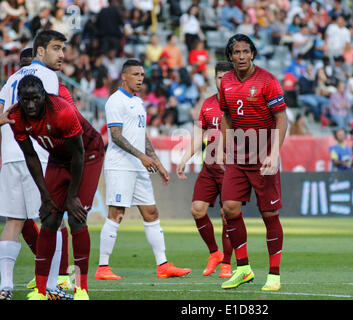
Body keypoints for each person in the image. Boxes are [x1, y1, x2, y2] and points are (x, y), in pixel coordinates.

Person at [3, 74, 105, 300]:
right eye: (25, 99)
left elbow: (78, 155)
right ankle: (41, 291)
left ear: (44, 96)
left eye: (35, 99)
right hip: (58, 158)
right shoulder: (16, 116)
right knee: (49, 218)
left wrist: (71, 197)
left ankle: (81, 289)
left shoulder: (62, 112)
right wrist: (45, 196)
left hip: (88, 156)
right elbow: (30, 156)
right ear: (18, 98)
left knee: (77, 218)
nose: (30, 105)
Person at [95, 59, 191, 281]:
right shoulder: (115, 101)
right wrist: (142, 157)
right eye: (136, 74)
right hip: (120, 166)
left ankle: (163, 265)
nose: (140, 79)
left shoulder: (138, 102)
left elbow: (141, 134)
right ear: (124, 76)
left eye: (142, 75)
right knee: (116, 214)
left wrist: (156, 161)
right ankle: (103, 267)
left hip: (138, 166)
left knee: (151, 212)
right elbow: (116, 136)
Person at [0, 31, 74, 301]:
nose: (61, 55)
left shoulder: (10, 79)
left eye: (63, 49)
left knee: (13, 223)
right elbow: (52, 117)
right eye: (56, 48)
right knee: (51, 221)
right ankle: (51, 287)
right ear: (40, 52)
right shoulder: (47, 77)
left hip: (10, 155)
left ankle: (5, 287)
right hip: (38, 157)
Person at [219, 34, 287, 291]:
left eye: (246, 51)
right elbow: (226, 115)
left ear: (253, 54)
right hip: (238, 155)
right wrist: (223, 146)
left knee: (269, 213)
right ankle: (244, 269)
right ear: (230, 56)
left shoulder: (267, 81)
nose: (241, 56)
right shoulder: (225, 81)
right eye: (236, 52)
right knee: (229, 208)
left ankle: (274, 274)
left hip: (263, 156)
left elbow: (282, 119)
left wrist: (274, 153)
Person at [176, 62, 234, 278]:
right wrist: (184, 158)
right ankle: (215, 253)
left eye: (226, 77)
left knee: (227, 213)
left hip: (231, 167)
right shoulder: (208, 104)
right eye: (219, 77)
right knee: (197, 210)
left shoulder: (240, 104)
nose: (223, 81)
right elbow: (199, 135)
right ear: (214, 79)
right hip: (209, 166)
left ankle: (227, 263)